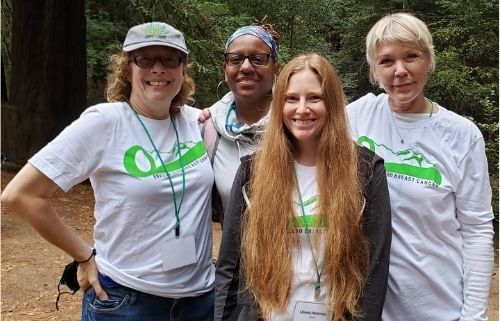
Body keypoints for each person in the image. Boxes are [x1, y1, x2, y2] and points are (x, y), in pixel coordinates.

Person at [1, 22, 215, 321]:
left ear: (182, 69)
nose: (158, 69)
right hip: (127, 301)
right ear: (127, 69)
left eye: (169, 59)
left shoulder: (198, 122)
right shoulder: (105, 122)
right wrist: (84, 255)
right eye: (145, 59)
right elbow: (21, 195)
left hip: (200, 301)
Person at [215, 53, 392, 321]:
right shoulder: (253, 172)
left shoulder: (366, 172)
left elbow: (375, 272)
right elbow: (230, 267)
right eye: (291, 99)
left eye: (314, 98)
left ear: (331, 103)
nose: (302, 109)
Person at [346, 12, 494, 321]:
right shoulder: (358, 116)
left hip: (439, 309)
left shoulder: (462, 136)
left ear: (429, 60)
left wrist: (474, 316)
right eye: (386, 61)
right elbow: (298, 119)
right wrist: (222, 111)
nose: (400, 71)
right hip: (366, 308)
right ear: (374, 70)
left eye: (411, 56)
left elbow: (477, 229)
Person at [201, 22, 280, 226]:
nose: (245, 67)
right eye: (235, 59)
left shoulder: (297, 125)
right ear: (225, 69)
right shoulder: (209, 129)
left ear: (275, 68)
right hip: (235, 256)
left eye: (258, 59)